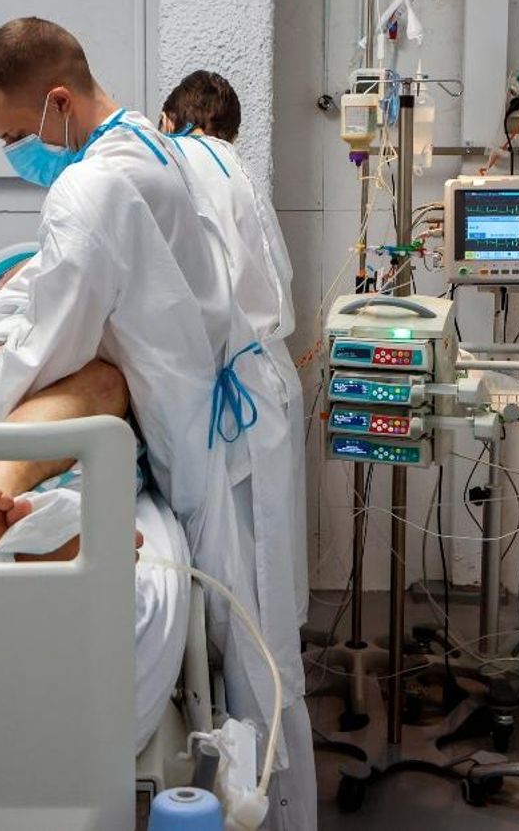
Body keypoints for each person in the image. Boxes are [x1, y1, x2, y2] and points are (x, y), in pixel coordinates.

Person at [0, 18, 315, 829]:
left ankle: (265, 812)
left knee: (252, 659)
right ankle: (271, 807)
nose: (13, 154)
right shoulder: (153, 142)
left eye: (11, 136)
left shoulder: (89, 188)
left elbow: (46, 346)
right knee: (260, 645)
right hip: (228, 415)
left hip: (207, 432)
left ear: (58, 103)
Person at [159, 70, 308, 623]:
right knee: (273, 557)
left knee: (242, 575)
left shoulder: (179, 164)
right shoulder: (238, 169)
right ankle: (278, 691)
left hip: (233, 391)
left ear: (169, 121)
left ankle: (249, 698)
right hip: (270, 376)